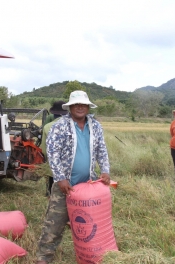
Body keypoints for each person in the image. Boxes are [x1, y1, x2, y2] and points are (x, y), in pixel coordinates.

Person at [36, 90, 111, 264]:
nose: (79, 107)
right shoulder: (59, 126)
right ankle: (43, 258)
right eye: (75, 104)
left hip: (88, 186)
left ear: (87, 107)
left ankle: (90, 256)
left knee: (90, 224)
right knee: (55, 224)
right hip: (66, 186)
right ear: (70, 107)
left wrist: (105, 170)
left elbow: (102, 149)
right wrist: (61, 178)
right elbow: (53, 153)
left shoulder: (95, 126)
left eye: (83, 104)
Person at [40, 100, 68, 197]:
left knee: (51, 177)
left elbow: (44, 149)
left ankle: (50, 194)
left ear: (53, 114)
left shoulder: (47, 127)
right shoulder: (73, 125)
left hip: (52, 162)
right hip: (70, 165)